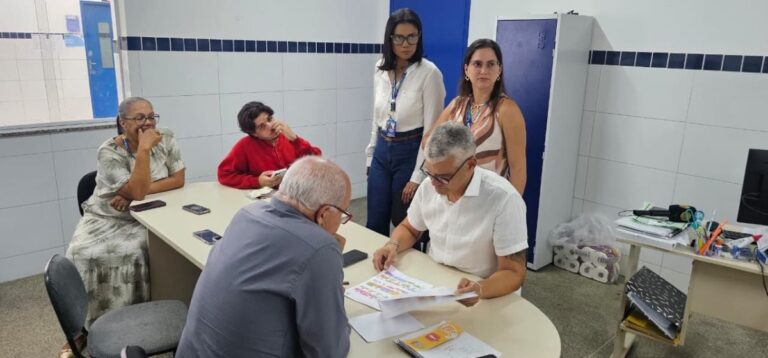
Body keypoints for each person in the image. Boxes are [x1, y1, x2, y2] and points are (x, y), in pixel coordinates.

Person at [177, 156, 352, 357]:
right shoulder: (319, 248)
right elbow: (330, 351)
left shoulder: (248, 212)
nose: (342, 221)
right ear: (324, 213)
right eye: (343, 214)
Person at [64, 97, 185, 333]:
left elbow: (178, 179)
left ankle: (141, 321)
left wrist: (131, 192)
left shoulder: (167, 137)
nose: (148, 123)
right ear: (122, 122)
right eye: (140, 118)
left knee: (147, 250)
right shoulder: (108, 152)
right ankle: (83, 329)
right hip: (108, 216)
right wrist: (143, 149)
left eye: (151, 117)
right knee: (82, 253)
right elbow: (140, 189)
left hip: (149, 213)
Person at [373, 122, 528, 306]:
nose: (434, 183)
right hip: (439, 283)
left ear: (471, 164)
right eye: (429, 173)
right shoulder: (429, 186)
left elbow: (513, 272)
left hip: (486, 292)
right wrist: (393, 245)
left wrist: (480, 289)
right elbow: (410, 228)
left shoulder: (503, 199)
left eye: (443, 177)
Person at [365, 8, 446, 236]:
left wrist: (418, 175)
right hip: (382, 150)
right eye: (399, 37)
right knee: (374, 221)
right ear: (389, 38)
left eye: (412, 36)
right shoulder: (380, 69)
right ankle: (376, 268)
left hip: (410, 151)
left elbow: (433, 131)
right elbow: (377, 116)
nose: (406, 43)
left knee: (406, 223)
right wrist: (370, 156)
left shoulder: (430, 74)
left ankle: (408, 271)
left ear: (419, 37)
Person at [425, 38, 527, 195]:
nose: (484, 71)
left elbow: (518, 168)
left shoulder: (507, 110)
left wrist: (513, 207)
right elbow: (427, 141)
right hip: (453, 197)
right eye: (477, 64)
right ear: (466, 69)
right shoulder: (457, 105)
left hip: (489, 199)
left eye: (491, 64)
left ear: (499, 70)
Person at [218, 101, 322, 189]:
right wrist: (257, 181)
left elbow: (317, 161)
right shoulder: (244, 146)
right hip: (269, 202)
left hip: (298, 194)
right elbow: (224, 174)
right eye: (262, 126)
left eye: (270, 119)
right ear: (254, 133)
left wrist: (295, 139)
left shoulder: (288, 137)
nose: (271, 126)